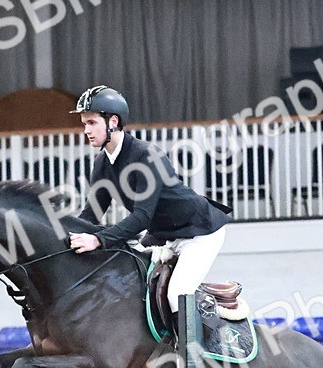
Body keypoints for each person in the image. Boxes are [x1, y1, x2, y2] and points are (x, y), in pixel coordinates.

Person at [68, 85, 232, 314]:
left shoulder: (146, 155)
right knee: (130, 285)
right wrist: (66, 236)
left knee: (177, 295)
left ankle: (193, 350)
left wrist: (98, 240)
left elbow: (143, 217)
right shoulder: (102, 163)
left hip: (198, 233)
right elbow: (91, 214)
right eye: (84, 124)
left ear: (113, 121)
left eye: (92, 123)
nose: (86, 130)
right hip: (162, 235)